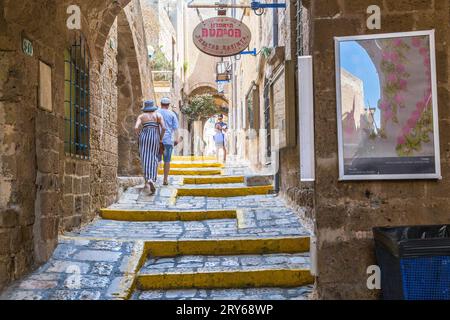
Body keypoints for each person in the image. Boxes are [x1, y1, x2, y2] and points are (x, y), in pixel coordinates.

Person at [135, 100, 166, 195]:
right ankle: (152, 179)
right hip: (154, 137)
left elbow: (136, 127)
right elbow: (164, 128)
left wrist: (139, 136)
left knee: (145, 158)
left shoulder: (141, 116)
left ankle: (147, 178)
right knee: (153, 157)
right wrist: (160, 138)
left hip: (144, 137)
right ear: (153, 107)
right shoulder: (158, 115)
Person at [157, 97, 179, 185]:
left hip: (157, 140)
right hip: (168, 141)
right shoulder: (172, 114)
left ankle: (154, 178)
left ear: (160, 104)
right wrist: (176, 139)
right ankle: (165, 179)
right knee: (167, 161)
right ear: (168, 105)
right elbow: (175, 128)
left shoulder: (156, 112)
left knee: (156, 160)